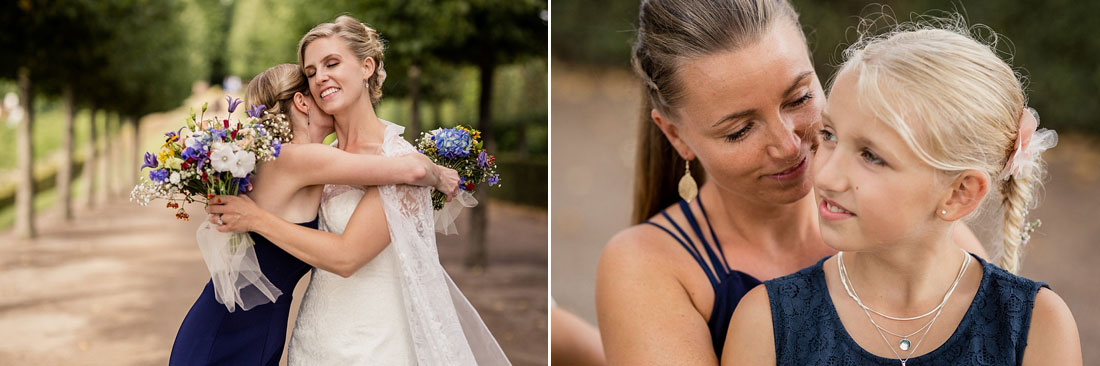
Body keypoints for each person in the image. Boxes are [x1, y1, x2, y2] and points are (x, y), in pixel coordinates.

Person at [595, 0, 987, 364]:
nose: (787, 146)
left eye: (799, 98)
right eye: (739, 130)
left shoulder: (909, 223)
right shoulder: (646, 267)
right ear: (676, 136)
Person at [723, 17, 1081, 365]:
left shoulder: (1039, 327)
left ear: (959, 193)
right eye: (829, 136)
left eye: (871, 156)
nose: (826, 176)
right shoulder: (766, 323)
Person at [207, 16, 509, 365]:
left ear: (367, 67)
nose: (320, 77)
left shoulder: (399, 159)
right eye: (311, 72)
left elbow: (347, 257)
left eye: (332, 63)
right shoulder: (322, 159)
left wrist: (256, 218)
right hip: (313, 338)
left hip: (374, 344)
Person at [169, 63, 459, 366]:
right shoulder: (300, 157)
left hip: (252, 328)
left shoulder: (284, 158)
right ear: (301, 102)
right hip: (230, 335)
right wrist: (439, 174)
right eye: (319, 92)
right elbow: (411, 169)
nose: (330, 98)